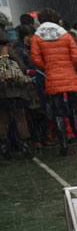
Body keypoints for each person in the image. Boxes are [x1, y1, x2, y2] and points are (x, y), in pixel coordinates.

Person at [30, 7, 77, 156]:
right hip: (70, 78)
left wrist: (48, 67)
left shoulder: (37, 37)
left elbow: (35, 58)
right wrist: (67, 66)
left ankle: (63, 145)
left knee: (58, 113)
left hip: (52, 79)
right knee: (75, 112)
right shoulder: (65, 35)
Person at [0, 30, 33, 159]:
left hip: (1, 92)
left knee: (3, 120)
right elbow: (22, 66)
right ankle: (23, 144)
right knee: (20, 118)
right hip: (16, 90)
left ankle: (4, 146)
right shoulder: (9, 49)